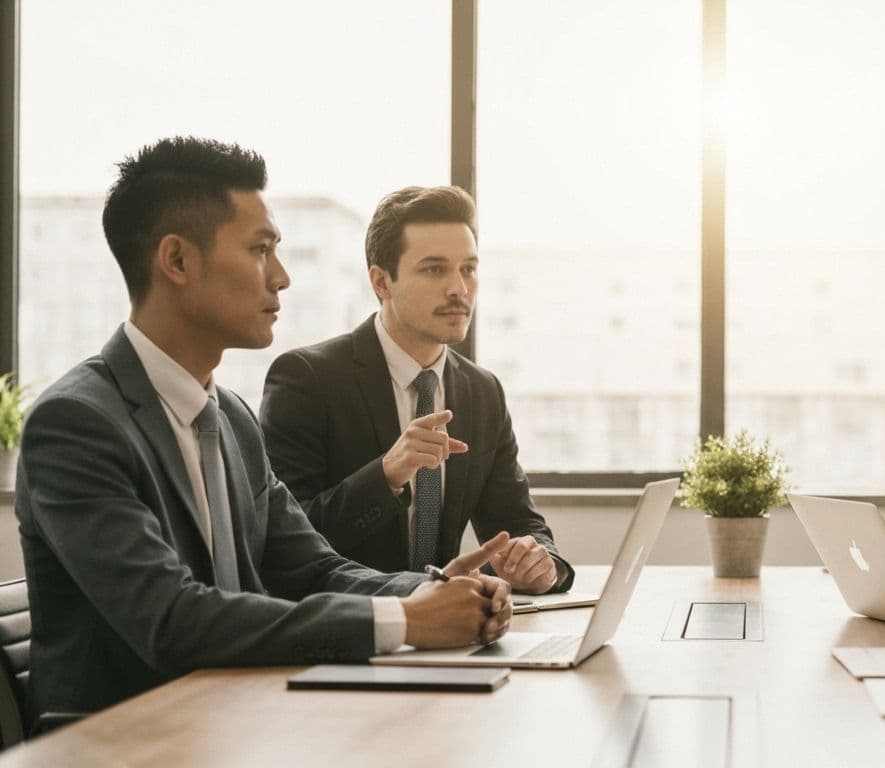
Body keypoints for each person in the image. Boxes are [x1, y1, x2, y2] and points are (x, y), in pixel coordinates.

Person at [15, 138, 513, 723]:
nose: (281, 277)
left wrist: (425, 591)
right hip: (126, 740)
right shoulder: (76, 424)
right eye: (260, 250)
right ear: (176, 262)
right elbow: (169, 619)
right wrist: (407, 620)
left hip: (239, 718)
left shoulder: (229, 417)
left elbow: (311, 567)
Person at [260, 186, 572, 594]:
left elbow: (519, 524)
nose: (459, 289)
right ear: (381, 282)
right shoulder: (306, 379)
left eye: (469, 269)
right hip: (348, 629)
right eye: (434, 269)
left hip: (449, 632)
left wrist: (542, 563)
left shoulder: (483, 391)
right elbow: (283, 543)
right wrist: (387, 474)